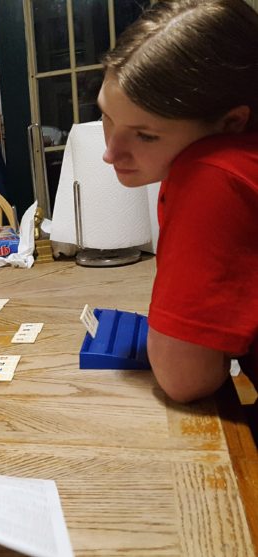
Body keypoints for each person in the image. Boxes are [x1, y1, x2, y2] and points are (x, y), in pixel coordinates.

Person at [97, 0, 258, 403]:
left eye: (145, 135)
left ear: (230, 123)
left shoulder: (213, 173)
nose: (111, 154)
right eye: (106, 117)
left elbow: (184, 378)